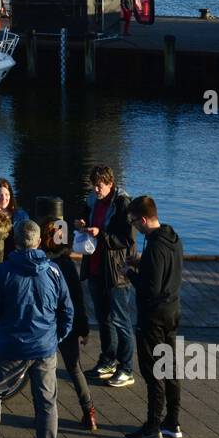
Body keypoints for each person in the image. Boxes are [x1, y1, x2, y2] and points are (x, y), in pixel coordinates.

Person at [0, 220, 74, 438]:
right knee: (46, 403)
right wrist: (56, 338)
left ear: (15, 242)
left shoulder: (5, 271)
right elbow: (67, 310)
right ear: (39, 241)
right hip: (44, 347)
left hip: (10, 345)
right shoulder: (53, 271)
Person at [123, 196, 183, 438]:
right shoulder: (173, 239)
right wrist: (142, 263)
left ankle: (152, 427)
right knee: (170, 368)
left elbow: (151, 288)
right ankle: (172, 421)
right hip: (173, 311)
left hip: (153, 316)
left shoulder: (155, 247)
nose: (134, 226)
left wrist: (130, 274)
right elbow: (164, 269)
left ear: (144, 219)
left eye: (135, 222)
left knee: (153, 371)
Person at [75, 165, 137, 388]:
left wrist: (101, 234)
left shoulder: (123, 203)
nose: (96, 188)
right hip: (95, 267)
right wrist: (80, 223)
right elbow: (83, 214)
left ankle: (127, 368)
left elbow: (127, 239)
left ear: (110, 183)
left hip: (116, 271)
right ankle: (108, 360)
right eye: (94, 184)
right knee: (103, 319)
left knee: (121, 320)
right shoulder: (92, 199)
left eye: (100, 184)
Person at [41, 219, 97, 430]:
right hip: (68, 322)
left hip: (45, 323)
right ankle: (89, 411)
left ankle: (44, 412)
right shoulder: (67, 265)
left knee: (37, 367)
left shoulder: (43, 265)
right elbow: (78, 300)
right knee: (74, 368)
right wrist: (83, 328)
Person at [0, 177, 31, 256]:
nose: (4, 198)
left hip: (16, 257)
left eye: (7, 194)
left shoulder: (21, 215)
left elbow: (28, 238)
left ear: (11, 195)